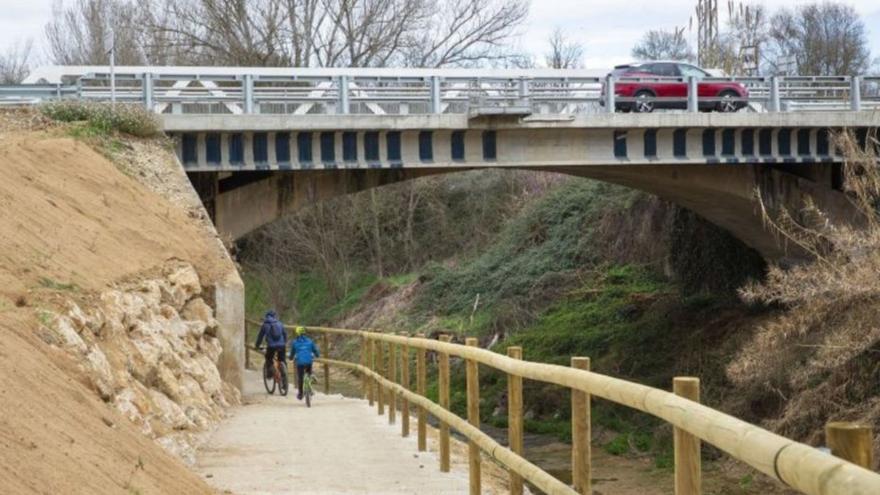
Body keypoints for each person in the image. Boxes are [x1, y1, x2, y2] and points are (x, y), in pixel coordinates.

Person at [289, 325, 320, 400]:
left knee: (300, 377)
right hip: (309, 361)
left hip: (300, 363)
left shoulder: (295, 342)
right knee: (309, 372)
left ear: (297, 334)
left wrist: (290, 358)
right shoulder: (310, 341)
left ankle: (300, 393)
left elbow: (292, 353)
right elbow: (315, 351)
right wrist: (317, 355)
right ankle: (311, 380)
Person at [255, 310, 287, 379]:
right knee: (282, 359)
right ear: (274, 316)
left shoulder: (265, 324)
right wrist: (284, 342)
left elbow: (260, 337)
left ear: (266, 316)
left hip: (271, 346)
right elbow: (284, 334)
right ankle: (284, 379)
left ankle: (270, 374)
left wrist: (257, 346)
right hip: (282, 345)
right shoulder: (280, 323)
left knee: (268, 358)